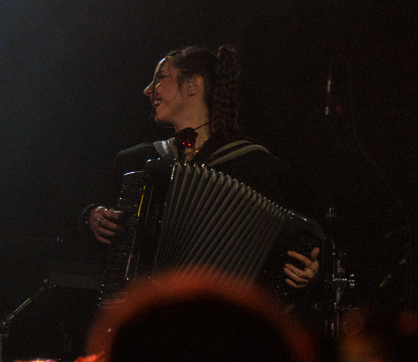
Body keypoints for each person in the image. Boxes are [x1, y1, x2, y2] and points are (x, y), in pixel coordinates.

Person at [86, 44, 320, 290]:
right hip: (147, 314)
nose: (147, 90)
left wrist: (308, 269)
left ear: (193, 84)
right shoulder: (136, 162)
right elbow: (100, 244)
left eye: (159, 78)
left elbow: (294, 249)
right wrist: (91, 217)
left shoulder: (254, 166)